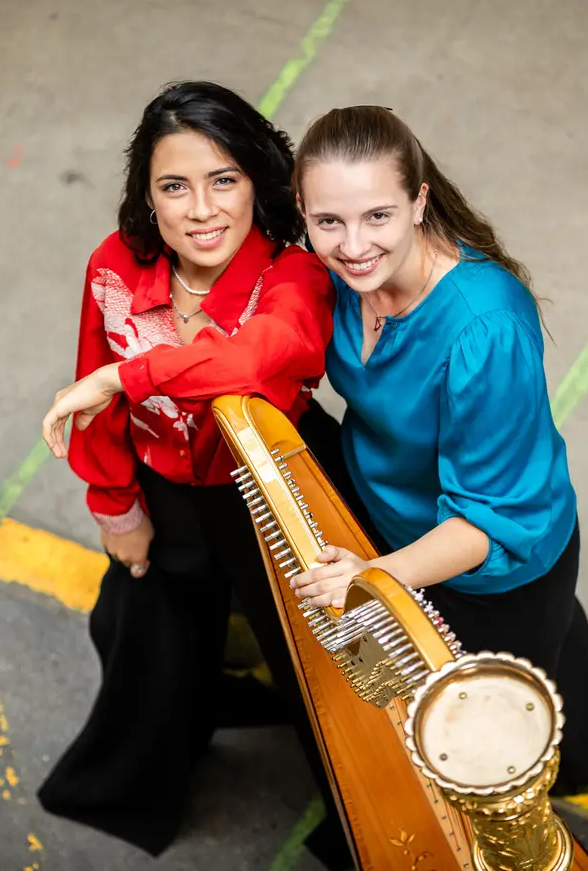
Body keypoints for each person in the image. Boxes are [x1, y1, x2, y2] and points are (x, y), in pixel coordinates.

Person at [34, 80, 354, 869]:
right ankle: (139, 782)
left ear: (258, 181)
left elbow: (254, 358)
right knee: (142, 638)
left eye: (225, 180)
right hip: (165, 494)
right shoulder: (113, 267)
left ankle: (364, 828)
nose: (201, 210)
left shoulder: (295, 274)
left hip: (278, 494)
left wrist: (128, 376)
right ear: (147, 196)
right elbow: (93, 400)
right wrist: (117, 509)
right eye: (174, 186)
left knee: (329, 668)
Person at [285, 105, 588, 798]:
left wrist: (375, 576)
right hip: (396, 515)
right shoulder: (326, 266)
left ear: (419, 201)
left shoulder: (485, 328)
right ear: (302, 210)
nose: (354, 245)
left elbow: (486, 522)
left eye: (378, 217)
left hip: (489, 569)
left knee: (486, 729)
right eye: (329, 221)